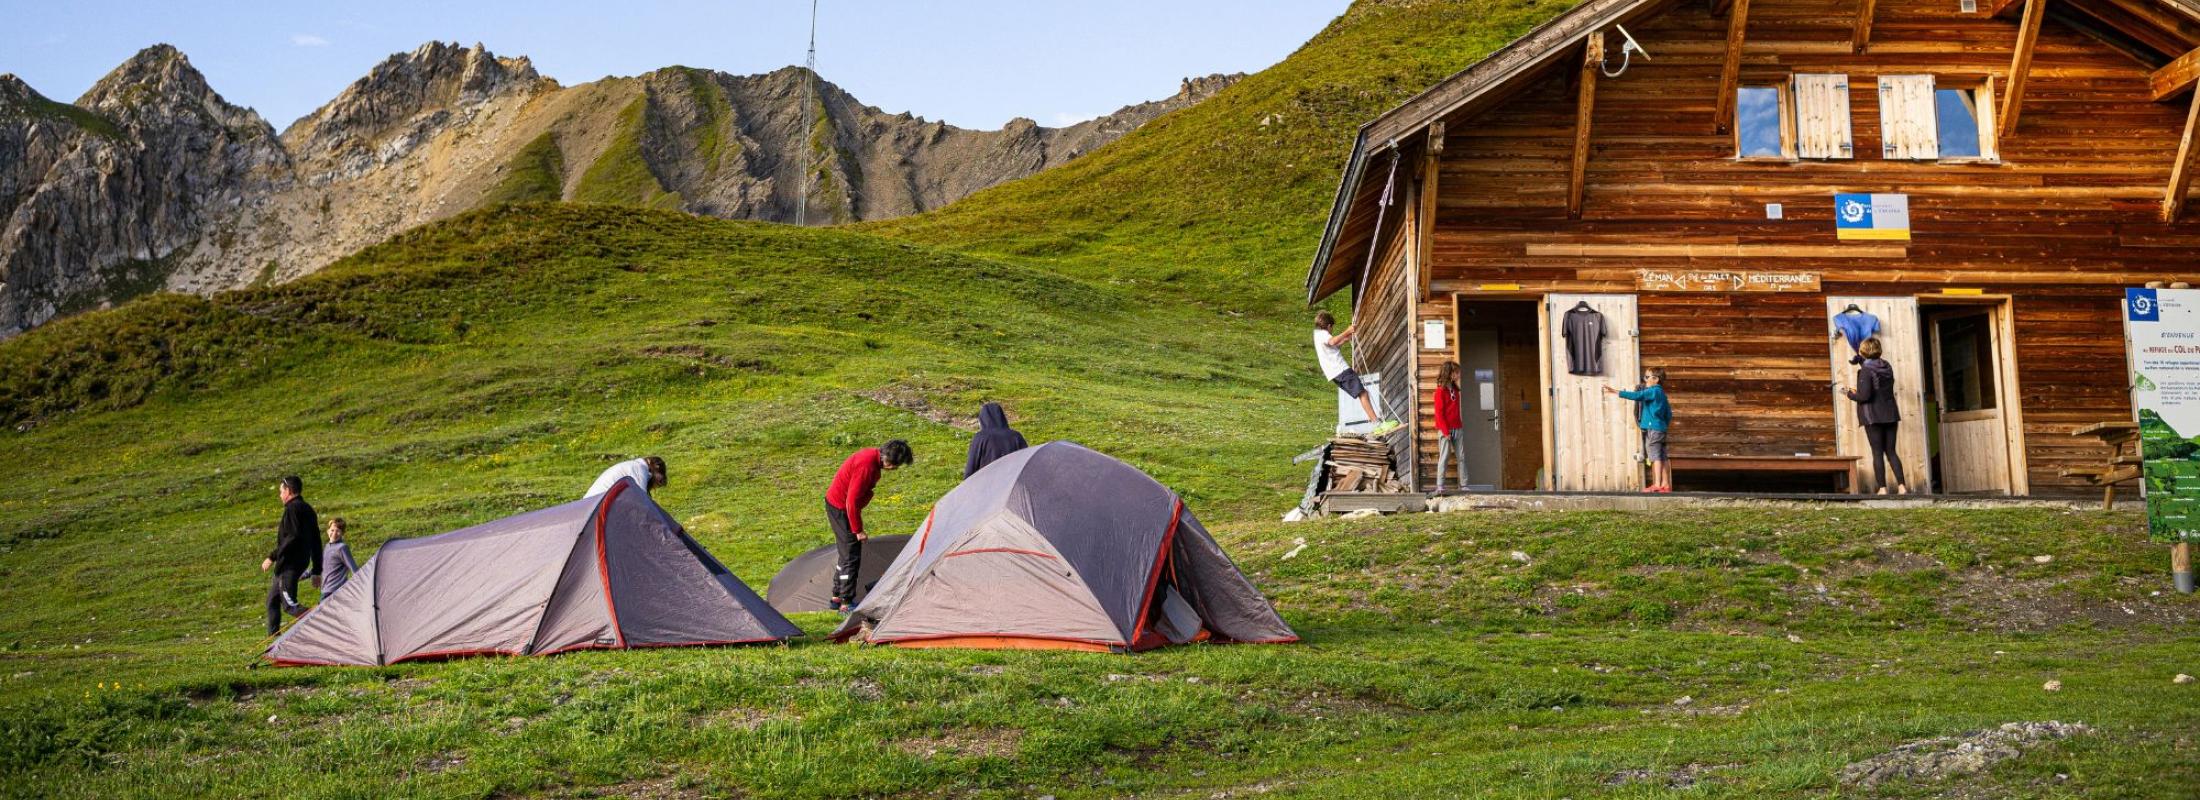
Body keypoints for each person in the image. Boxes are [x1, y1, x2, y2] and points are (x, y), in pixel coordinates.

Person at [826, 440, 913, 612]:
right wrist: (858, 530)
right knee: (851, 555)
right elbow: (851, 502)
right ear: (889, 461)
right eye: (896, 465)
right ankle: (846, 602)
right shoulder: (866, 467)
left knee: (846, 553)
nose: (895, 469)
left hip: (838, 505)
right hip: (841, 508)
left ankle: (837, 596)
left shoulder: (871, 457)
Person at [1312, 311, 1401, 437]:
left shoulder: (1317, 336)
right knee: (1363, 394)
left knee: (1363, 393)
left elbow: (1332, 346)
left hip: (1335, 374)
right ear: (1328, 326)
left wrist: (1344, 339)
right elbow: (1332, 342)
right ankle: (1377, 424)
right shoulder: (1324, 334)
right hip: (1340, 370)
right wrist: (1347, 331)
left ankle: (1375, 422)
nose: (1332, 331)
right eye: (1332, 328)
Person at [1843, 337, 1910, 495]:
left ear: (1864, 351)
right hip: (1890, 414)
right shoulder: (1886, 366)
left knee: (1877, 452)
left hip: (1873, 416)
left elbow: (1865, 396)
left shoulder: (1866, 371)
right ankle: (1902, 487)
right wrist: (1861, 361)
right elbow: (1875, 376)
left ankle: (1882, 488)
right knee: (1891, 452)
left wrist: (1850, 394)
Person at [261, 476, 320, 635]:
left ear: (288, 491)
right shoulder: (308, 509)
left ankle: (321, 621)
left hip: (290, 564)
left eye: (281, 491)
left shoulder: (292, 509)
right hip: (293, 564)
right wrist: (316, 570)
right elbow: (316, 541)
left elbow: (291, 537)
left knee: (289, 605)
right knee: (272, 600)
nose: (280, 495)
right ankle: (274, 638)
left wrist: (272, 556)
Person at [1604, 368, 1673, 493]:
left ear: (1656, 379)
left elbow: (1637, 396)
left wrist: (1617, 392)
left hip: (1653, 429)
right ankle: (1665, 484)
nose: (1644, 380)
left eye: (1647, 377)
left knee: (1655, 457)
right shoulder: (1662, 393)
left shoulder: (1653, 391)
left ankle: (1657, 484)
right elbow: (1669, 413)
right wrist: (1663, 425)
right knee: (1663, 457)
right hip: (1660, 428)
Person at [964, 402, 1029, 478]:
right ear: (1002, 417)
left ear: (983, 419)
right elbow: (1026, 463)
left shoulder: (980, 438)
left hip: (987, 485)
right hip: (1011, 483)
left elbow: (970, 469)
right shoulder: (1016, 436)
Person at [1432, 361, 1467, 491]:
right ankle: (1440, 485)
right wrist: (1446, 431)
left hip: (1458, 428)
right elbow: (1439, 414)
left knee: (1461, 457)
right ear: (1449, 373)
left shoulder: (1456, 391)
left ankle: (1464, 485)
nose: (1458, 375)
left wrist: (1459, 427)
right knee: (1444, 457)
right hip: (1445, 430)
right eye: (1456, 372)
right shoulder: (1440, 392)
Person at [316, 518, 360, 598]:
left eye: (338, 531)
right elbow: (322, 566)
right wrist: (303, 575)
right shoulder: (327, 547)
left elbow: (354, 568)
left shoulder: (342, 548)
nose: (334, 533)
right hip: (325, 590)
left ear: (342, 533)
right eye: (332, 530)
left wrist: (360, 586)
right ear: (328, 531)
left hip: (336, 591)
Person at [585, 456, 666, 498]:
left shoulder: (632, 466)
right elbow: (642, 501)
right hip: (597, 505)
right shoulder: (639, 468)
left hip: (591, 504)